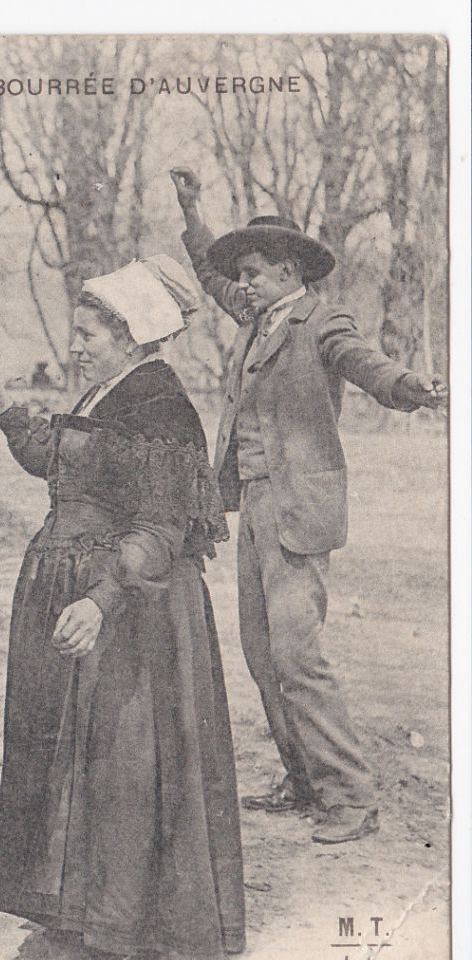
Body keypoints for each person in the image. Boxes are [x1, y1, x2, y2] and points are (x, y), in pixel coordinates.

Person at [0, 256, 245, 960]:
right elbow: (59, 463)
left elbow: (161, 525)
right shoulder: (104, 391)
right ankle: (76, 912)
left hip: (131, 609)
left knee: (121, 762)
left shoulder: (159, 406)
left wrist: (100, 598)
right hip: (79, 594)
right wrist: (2, 406)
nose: (75, 343)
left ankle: (123, 928)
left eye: (87, 331)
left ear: (129, 333)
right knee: (68, 758)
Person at [170, 168, 448, 844]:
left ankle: (350, 799)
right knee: (261, 655)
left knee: (297, 656)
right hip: (254, 510)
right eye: (242, 272)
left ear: (289, 270)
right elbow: (211, 279)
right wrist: (191, 209)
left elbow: (361, 362)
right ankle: (302, 780)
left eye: (256, 270)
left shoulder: (320, 320)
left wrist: (412, 387)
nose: (244, 282)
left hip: (299, 513)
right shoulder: (255, 315)